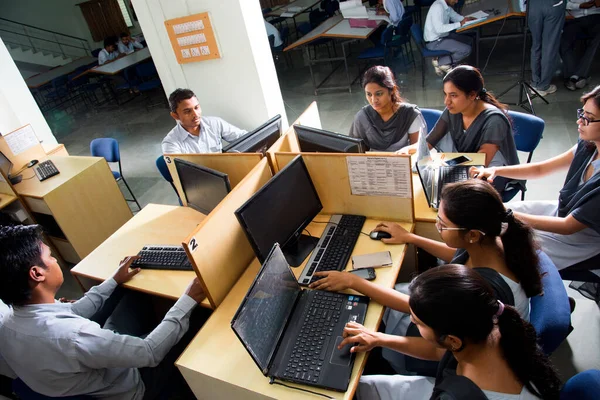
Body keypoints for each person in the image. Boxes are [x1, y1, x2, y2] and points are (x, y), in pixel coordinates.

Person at [311, 178, 542, 372]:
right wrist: (411, 238)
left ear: (472, 234)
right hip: (456, 327)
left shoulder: (481, 288)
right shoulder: (492, 241)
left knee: (377, 313)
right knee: (384, 300)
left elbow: (437, 347)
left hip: (454, 356)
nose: (436, 225)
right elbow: (459, 254)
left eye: (442, 224)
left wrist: (354, 282)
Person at [0, 224, 207, 398]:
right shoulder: (73, 336)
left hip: (95, 366)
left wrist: (114, 279)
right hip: (133, 385)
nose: (55, 261)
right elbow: (149, 352)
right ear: (37, 273)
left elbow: (74, 310)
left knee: (136, 295)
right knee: (199, 316)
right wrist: (188, 299)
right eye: (50, 256)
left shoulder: (8, 321)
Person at [351, 266, 561, 399]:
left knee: (356, 389)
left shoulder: (459, 393)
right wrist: (378, 338)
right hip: (452, 385)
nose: (413, 322)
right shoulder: (498, 328)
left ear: (451, 339)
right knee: (363, 387)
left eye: (418, 322)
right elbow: (438, 353)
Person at [471, 85, 600, 272]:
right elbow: (540, 169)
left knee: (499, 241)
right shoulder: (589, 145)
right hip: (564, 212)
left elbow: (568, 227)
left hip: (583, 238)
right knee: (497, 222)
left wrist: (502, 212)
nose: (579, 121)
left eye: (589, 118)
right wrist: (497, 171)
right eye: (582, 113)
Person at [424, 65, 522, 195]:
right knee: (428, 186)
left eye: (453, 95)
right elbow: (429, 142)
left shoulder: (494, 120)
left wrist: (446, 166)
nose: (447, 101)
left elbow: (481, 160)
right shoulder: (453, 111)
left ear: (472, 95)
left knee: (443, 194)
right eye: (446, 94)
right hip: (467, 166)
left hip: (492, 174)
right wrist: (407, 153)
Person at [349, 66, 425, 152]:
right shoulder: (363, 117)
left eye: (379, 94)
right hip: (372, 164)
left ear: (392, 90)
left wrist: (407, 150)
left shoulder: (409, 115)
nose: (374, 100)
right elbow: (355, 153)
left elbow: (419, 148)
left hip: (403, 162)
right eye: (369, 94)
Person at [162, 88, 247, 154]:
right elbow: (182, 172)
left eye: (196, 108)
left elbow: (245, 138)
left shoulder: (215, 123)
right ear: (175, 116)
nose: (195, 114)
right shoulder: (170, 143)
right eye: (187, 111)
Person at [423, 0, 475, 76]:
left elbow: (456, 17)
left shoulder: (445, 5)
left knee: (468, 40)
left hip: (443, 36)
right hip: (435, 42)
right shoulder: (438, 7)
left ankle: (441, 60)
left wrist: (466, 19)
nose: (457, 1)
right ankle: (441, 62)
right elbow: (439, 29)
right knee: (466, 49)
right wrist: (459, 24)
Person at [528, 0, 566, 96]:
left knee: (536, 45)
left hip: (533, 5)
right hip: (553, 4)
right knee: (550, 46)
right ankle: (543, 86)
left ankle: (535, 83)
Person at [560, 0, 600, 91]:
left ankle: (577, 75)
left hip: (597, 17)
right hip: (575, 19)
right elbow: (562, 3)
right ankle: (574, 76)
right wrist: (579, 6)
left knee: (597, 41)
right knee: (563, 41)